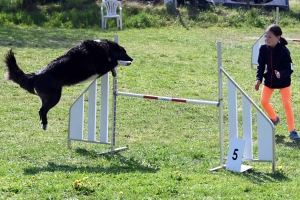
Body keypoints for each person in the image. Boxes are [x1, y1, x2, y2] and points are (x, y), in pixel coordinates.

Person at [254, 24, 300, 140]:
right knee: (263, 101)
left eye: (269, 37)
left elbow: (290, 68)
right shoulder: (263, 49)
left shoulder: (284, 51)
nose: (266, 39)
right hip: (269, 80)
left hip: (283, 81)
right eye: (265, 36)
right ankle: (274, 119)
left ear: (278, 37)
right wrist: (258, 79)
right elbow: (261, 66)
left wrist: (281, 74)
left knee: (286, 104)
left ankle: (292, 131)